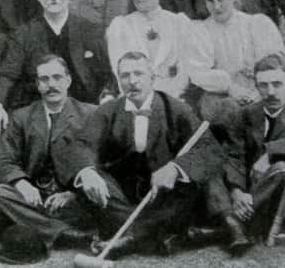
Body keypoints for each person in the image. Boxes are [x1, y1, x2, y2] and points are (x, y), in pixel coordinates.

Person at [63, 51, 222, 260]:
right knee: (91, 178)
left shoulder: (176, 108)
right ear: (119, 80)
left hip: (163, 195)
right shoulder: (108, 111)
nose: (132, 81)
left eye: (139, 74)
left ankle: (130, 238)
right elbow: (82, 144)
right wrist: (87, 172)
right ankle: (152, 234)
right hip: (121, 197)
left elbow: (209, 149)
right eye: (125, 76)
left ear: (152, 78)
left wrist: (175, 168)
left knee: (189, 186)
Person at [203, 54, 285, 255]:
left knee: (280, 168)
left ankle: (234, 223)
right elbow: (235, 154)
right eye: (263, 86)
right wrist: (236, 191)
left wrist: (269, 152)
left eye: (277, 84)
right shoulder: (246, 113)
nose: (271, 92)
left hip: (274, 192)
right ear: (256, 87)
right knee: (210, 166)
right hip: (246, 183)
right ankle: (234, 223)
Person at [0, 0, 114, 138]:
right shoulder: (24, 34)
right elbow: (7, 75)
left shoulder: (89, 30)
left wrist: (108, 97)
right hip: (39, 113)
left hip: (83, 111)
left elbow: (108, 74)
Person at [0, 55, 97, 251]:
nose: (51, 85)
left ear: (68, 81)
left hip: (73, 199)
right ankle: (65, 234)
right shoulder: (22, 117)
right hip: (35, 197)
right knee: (0, 193)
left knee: (95, 196)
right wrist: (22, 184)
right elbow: (6, 159)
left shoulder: (90, 114)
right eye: (45, 79)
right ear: (38, 85)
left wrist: (73, 194)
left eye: (57, 78)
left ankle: (40, 226)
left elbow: (99, 161)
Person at [187, 0, 285, 125]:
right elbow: (197, 72)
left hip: (260, 87)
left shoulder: (257, 23)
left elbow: (275, 61)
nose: (217, 7)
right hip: (221, 94)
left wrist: (259, 90)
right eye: (210, 1)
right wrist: (230, 88)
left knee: (270, 105)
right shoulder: (202, 31)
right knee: (227, 109)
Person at [106, 0, 192, 99]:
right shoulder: (121, 27)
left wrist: (169, 97)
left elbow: (185, 70)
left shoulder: (178, 23)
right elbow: (120, 73)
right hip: (134, 98)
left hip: (173, 97)